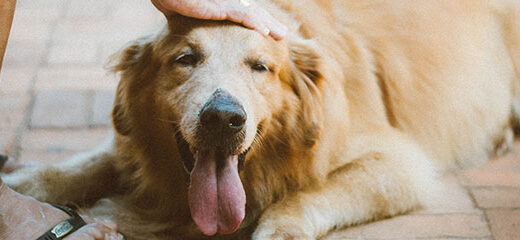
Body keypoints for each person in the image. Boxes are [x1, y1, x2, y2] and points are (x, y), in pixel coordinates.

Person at [0, 0, 286, 239]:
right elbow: (133, 130)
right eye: (185, 59)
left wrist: (297, 218)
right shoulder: (143, 75)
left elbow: (333, 168)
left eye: (258, 66)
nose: (222, 111)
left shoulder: (307, 75)